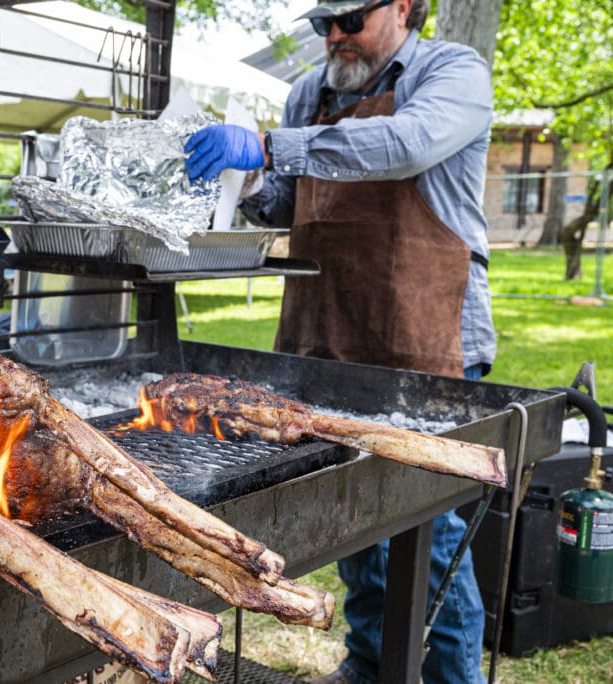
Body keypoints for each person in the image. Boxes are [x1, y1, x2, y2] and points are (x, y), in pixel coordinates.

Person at [183, 1, 495, 683]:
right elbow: (288, 201)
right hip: (326, 333)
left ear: (402, 7)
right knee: (352, 517)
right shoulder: (309, 94)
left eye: (349, 20)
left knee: (434, 535)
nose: (333, 37)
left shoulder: (453, 72)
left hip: (425, 345)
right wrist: (245, 183)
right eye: (323, 24)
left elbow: (406, 145)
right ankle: (369, 665)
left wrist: (271, 146)